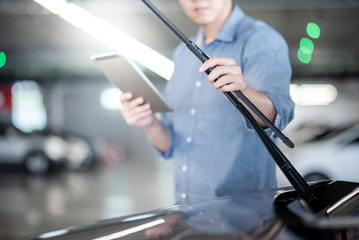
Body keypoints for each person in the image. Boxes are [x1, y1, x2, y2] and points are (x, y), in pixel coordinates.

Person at [120, 0, 294, 204]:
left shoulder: (262, 40)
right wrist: (149, 123)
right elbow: (173, 144)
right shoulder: (182, 53)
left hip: (246, 221)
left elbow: (276, 117)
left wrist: (242, 91)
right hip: (187, 213)